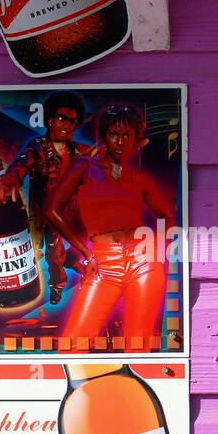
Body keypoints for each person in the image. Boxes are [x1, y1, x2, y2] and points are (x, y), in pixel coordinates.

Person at [45, 104, 174, 348]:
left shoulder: (138, 178)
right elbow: (51, 210)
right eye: (114, 133)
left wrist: (155, 248)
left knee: (138, 345)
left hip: (143, 263)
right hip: (103, 262)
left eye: (127, 135)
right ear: (104, 136)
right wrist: (86, 254)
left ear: (136, 139)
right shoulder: (84, 167)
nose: (120, 140)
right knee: (72, 345)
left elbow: (167, 216)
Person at [0, 91, 95, 303]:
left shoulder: (78, 150)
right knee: (54, 256)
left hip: (76, 212)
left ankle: (74, 262)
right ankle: (58, 284)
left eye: (72, 121)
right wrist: (10, 179)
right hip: (51, 217)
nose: (67, 125)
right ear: (50, 120)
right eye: (62, 118)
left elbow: (100, 155)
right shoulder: (38, 147)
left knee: (82, 248)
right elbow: (22, 163)